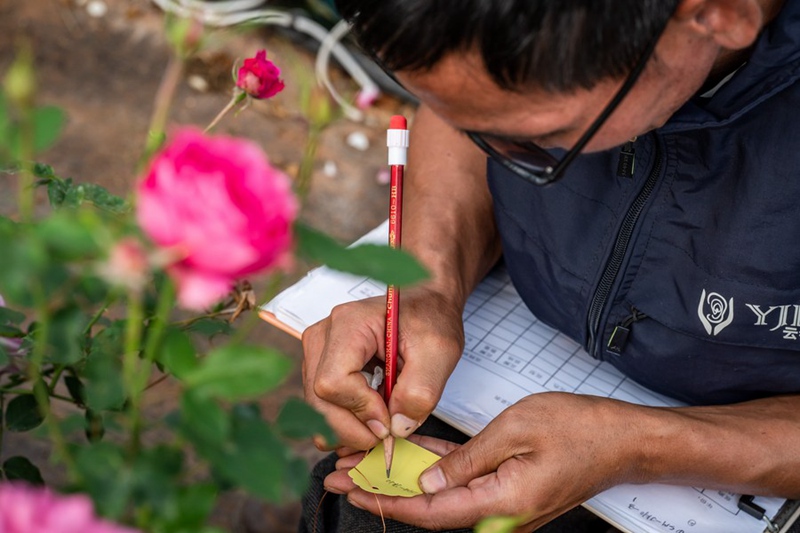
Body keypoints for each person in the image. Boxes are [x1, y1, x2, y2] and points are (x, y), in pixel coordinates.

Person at [299, 0, 800, 531]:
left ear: (718, 14)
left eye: (537, 141)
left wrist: (645, 447)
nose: (488, 144)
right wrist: (431, 283)